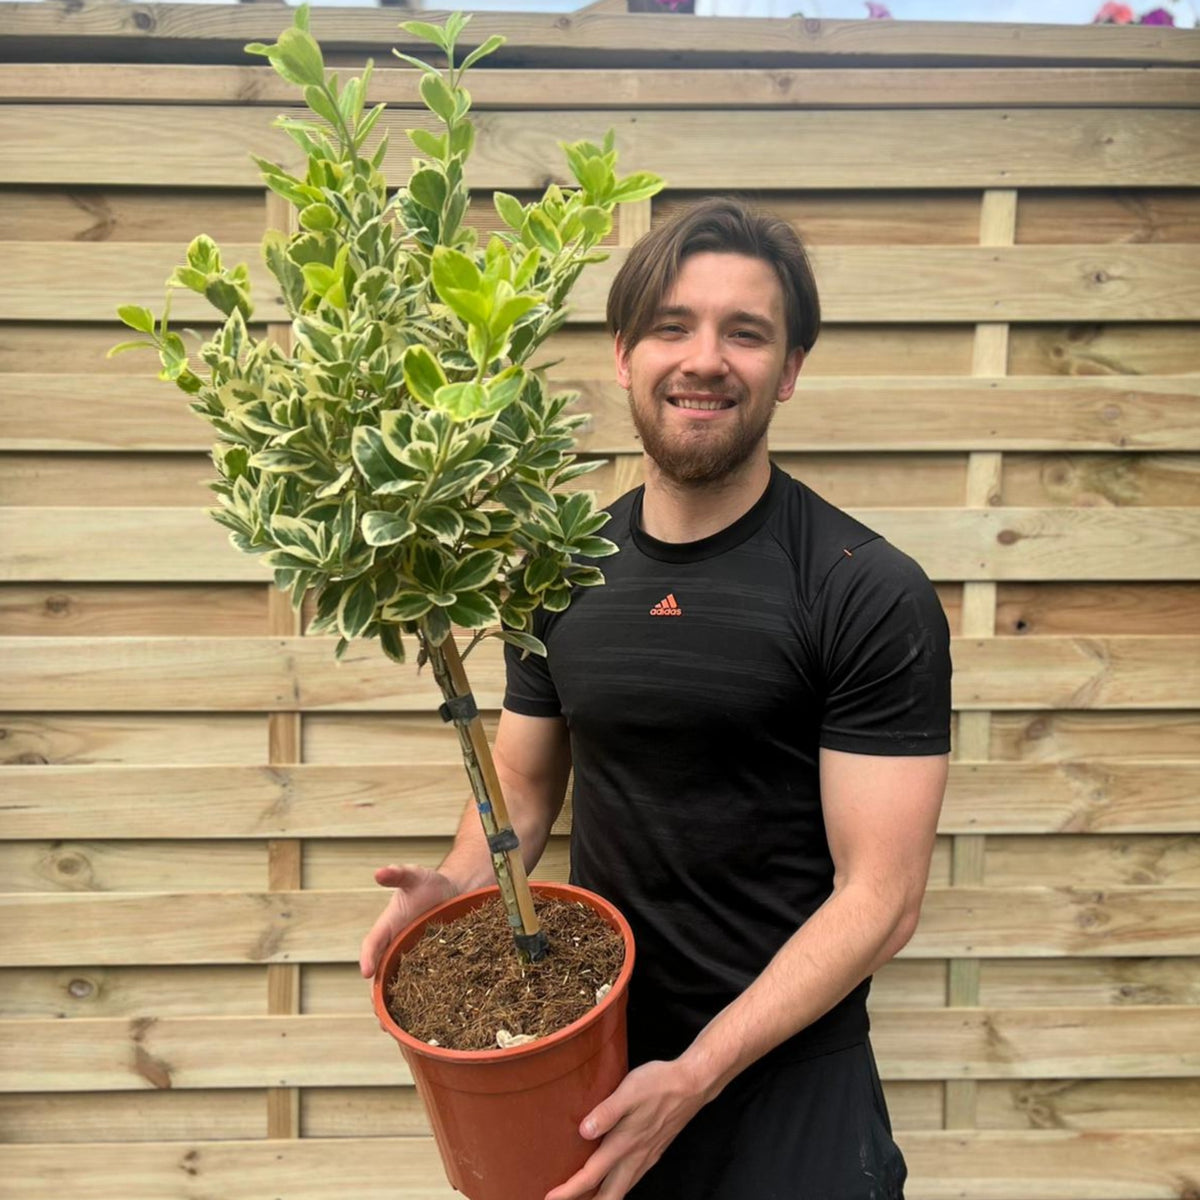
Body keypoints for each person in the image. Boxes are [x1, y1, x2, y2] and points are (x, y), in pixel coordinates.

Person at [360, 197, 951, 1200]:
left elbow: (880, 899)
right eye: (674, 326)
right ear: (626, 354)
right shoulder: (560, 570)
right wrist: (458, 884)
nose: (705, 358)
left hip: (786, 1092)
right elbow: (523, 779)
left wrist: (698, 1075)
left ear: (791, 369)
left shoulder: (862, 587)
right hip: (591, 1062)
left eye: (746, 332)